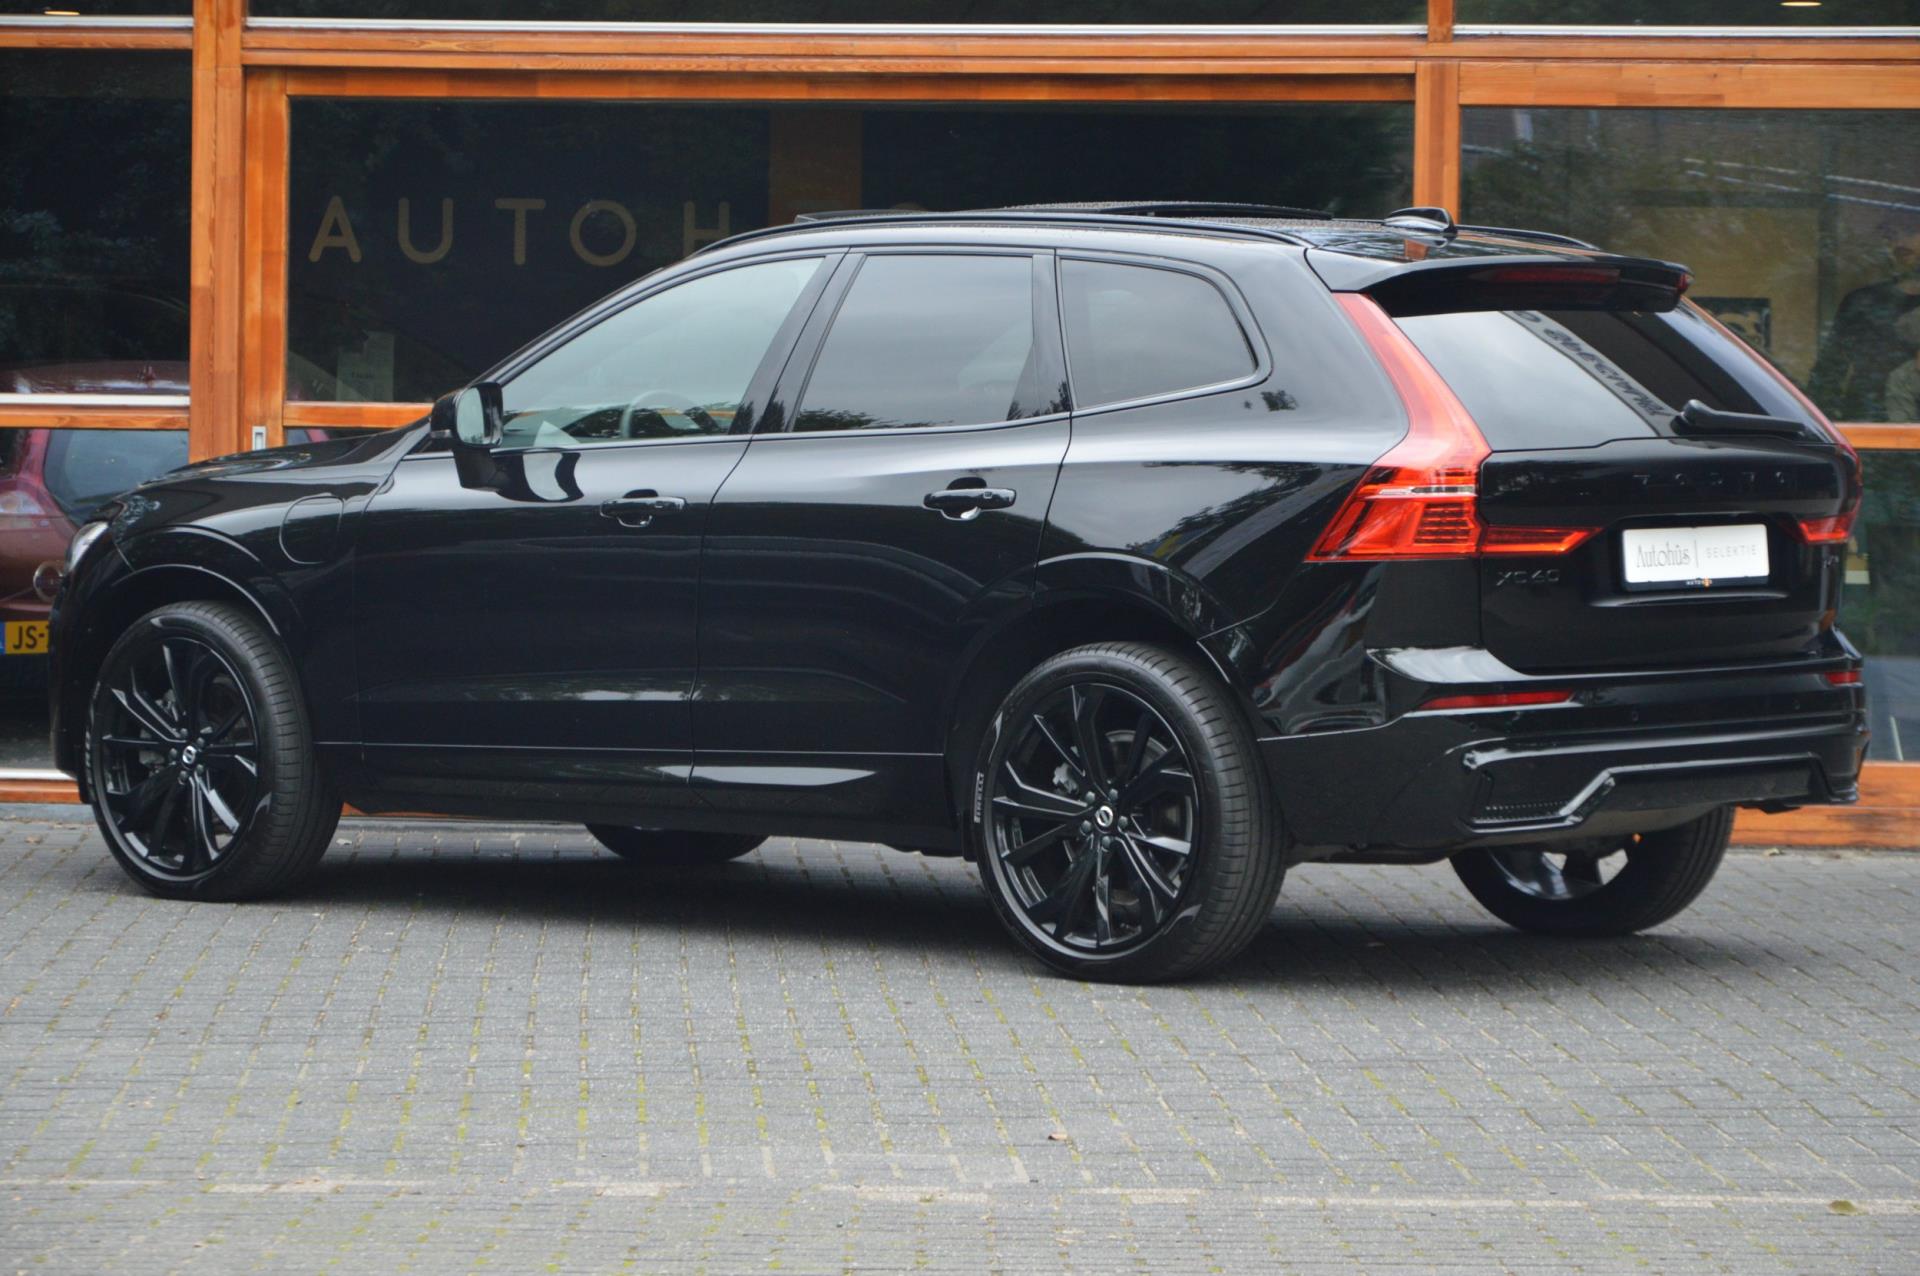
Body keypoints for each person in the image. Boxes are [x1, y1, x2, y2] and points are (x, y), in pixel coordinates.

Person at [1810, 225, 1920, 423]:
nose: (1900, 242)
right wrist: (1823, 424)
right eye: (1892, 234)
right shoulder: (1862, 302)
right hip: (1865, 420)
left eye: (1910, 230)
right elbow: (1830, 369)